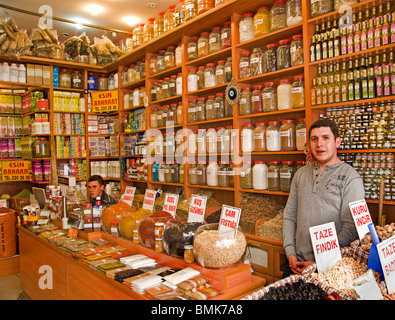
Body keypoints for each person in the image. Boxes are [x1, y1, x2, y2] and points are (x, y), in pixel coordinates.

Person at [282, 118, 365, 277]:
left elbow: (351, 227)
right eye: (314, 139)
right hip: (296, 263)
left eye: (326, 138)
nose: (319, 144)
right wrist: (290, 252)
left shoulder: (350, 177)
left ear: (337, 142)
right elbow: (289, 216)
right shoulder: (301, 174)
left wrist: (321, 260)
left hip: (331, 267)